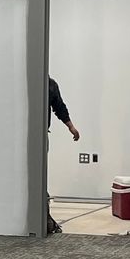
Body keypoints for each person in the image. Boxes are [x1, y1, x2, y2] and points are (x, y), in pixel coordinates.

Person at [47, 78, 80, 235]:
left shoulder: (50, 84)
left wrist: (71, 127)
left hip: (41, 134)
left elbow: (59, 107)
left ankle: (44, 218)